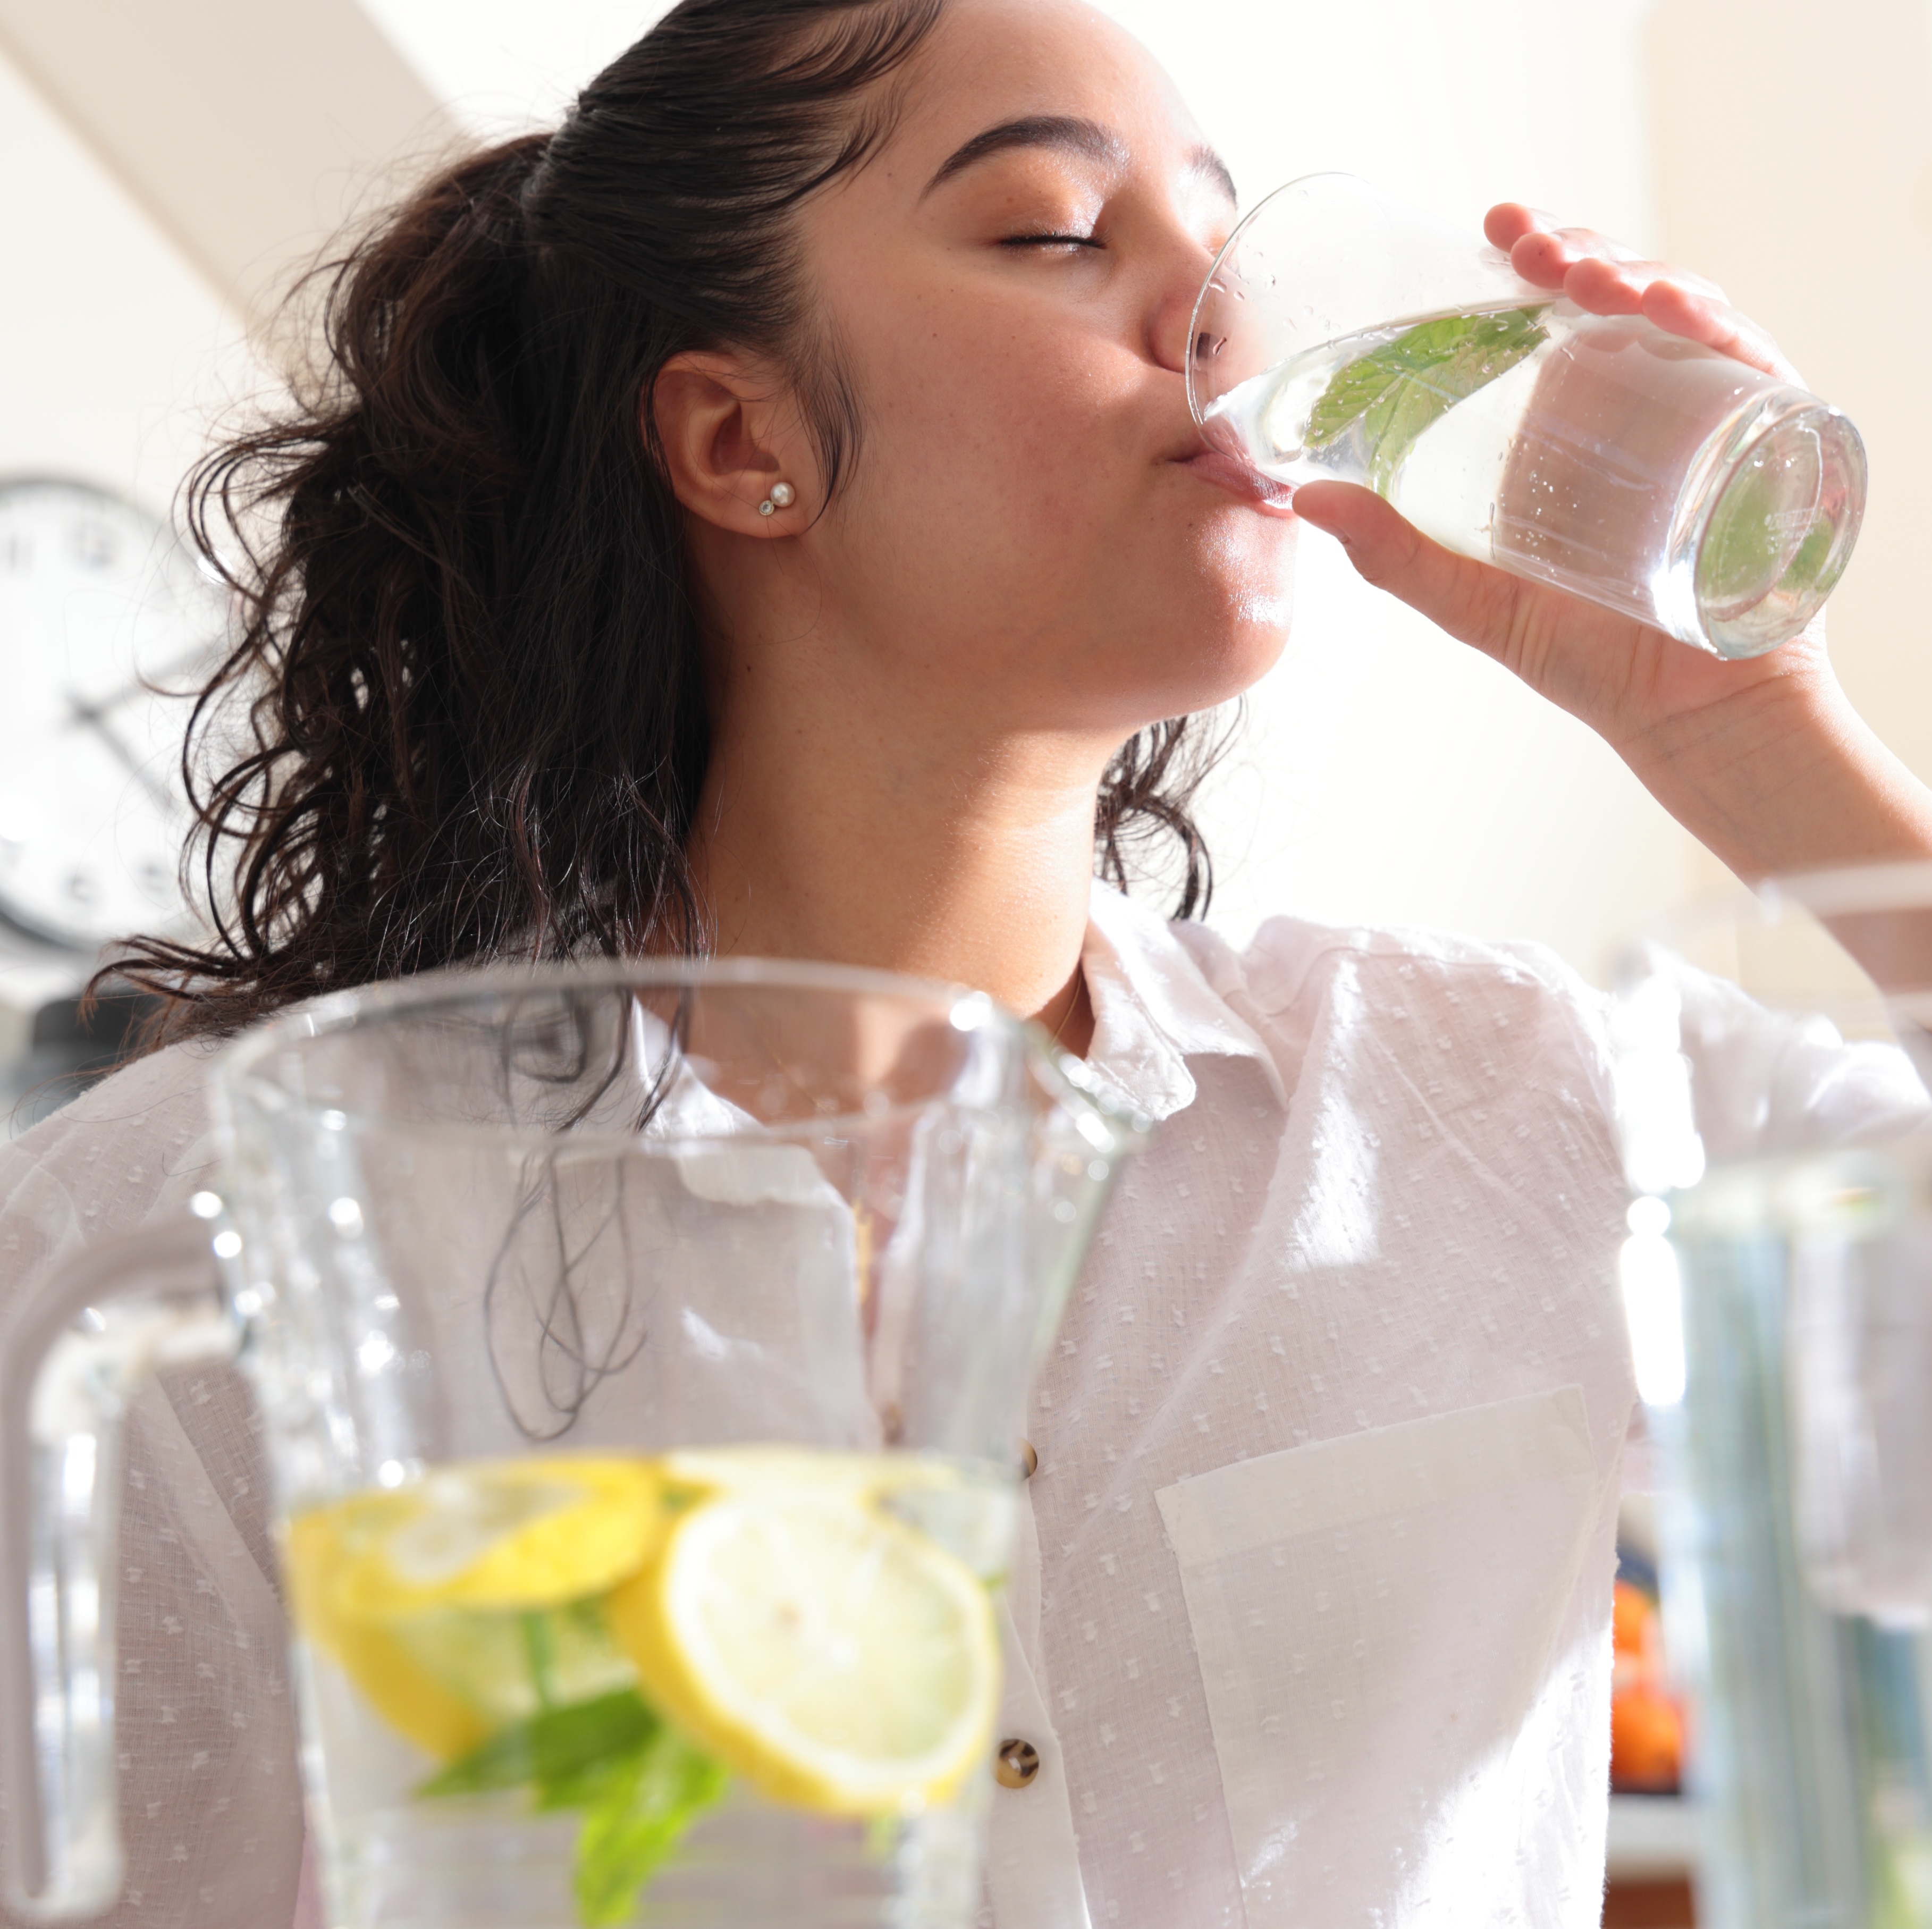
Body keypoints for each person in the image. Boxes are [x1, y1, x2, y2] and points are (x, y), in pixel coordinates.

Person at [4, 2, 1930, 1925]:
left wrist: (1746, 731)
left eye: (1224, 238)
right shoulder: (213, 1227)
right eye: (1056, 233)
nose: (1220, 313)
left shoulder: (1530, 1103)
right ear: (736, 433)